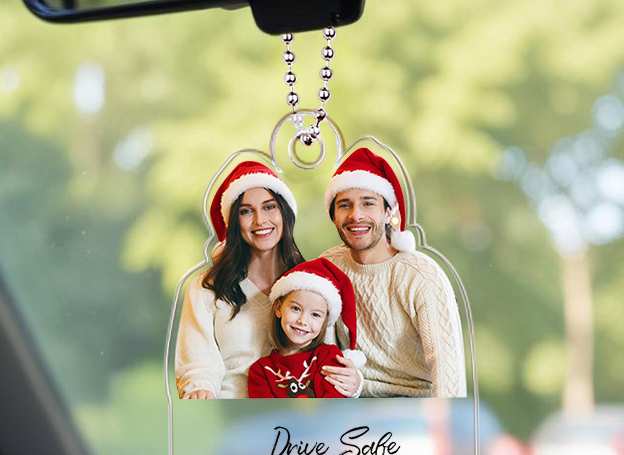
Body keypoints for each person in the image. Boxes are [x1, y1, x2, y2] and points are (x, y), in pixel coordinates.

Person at [175, 161, 360, 398]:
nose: (260, 220)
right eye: (246, 211)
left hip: (301, 420)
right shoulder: (206, 288)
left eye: (269, 207)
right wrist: (199, 388)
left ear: (284, 213)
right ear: (233, 222)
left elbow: (332, 357)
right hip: (234, 416)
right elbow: (197, 364)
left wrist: (353, 381)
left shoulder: (312, 284)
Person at [319, 147, 467, 397]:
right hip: (348, 401)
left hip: (415, 406)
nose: (356, 215)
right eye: (345, 205)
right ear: (334, 216)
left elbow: (447, 367)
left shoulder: (420, 275)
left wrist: (446, 427)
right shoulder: (327, 267)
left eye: (368, 203)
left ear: (389, 213)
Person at [248, 258, 365, 398]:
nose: (302, 321)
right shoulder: (261, 370)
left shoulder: (328, 357)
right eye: (296, 308)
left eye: (315, 314)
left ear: (324, 321)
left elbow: (333, 407)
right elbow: (264, 415)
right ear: (279, 308)